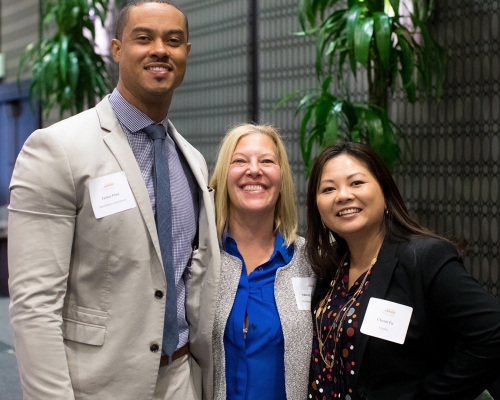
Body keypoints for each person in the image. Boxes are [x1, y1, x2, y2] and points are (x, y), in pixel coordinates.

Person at [8, 1, 220, 399]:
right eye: (144, 38)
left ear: (186, 54)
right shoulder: (59, 149)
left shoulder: (190, 158)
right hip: (98, 385)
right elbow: (34, 305)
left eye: (173, 41)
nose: (160, 49)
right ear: (118, 49)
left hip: (181, 378)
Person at [306, 142, 500, 400]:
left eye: (356, 183)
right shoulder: (329, 268)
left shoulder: (423, 258)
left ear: (385, 192)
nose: (343, 195)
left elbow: (493, 333)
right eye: (328, 189)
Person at [209, 124, 315, 400]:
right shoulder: (199, 260)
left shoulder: (312, 261)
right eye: (240, 161)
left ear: (282, 180)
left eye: (267, 161)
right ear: (222, 177)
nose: (254, 170)